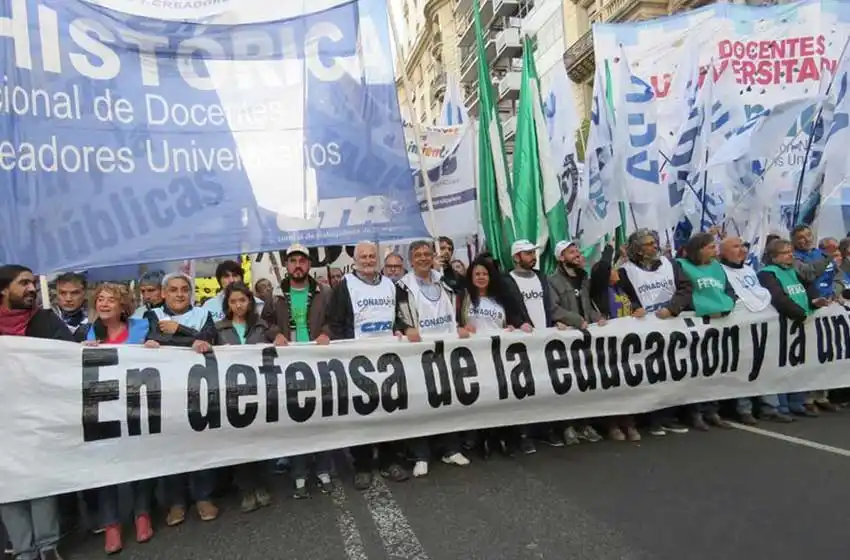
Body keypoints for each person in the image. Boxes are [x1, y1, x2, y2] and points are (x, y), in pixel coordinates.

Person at [75, 283, 154, 554]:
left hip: (136, 406)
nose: (104, 304)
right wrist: (80, 352)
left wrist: (156, 347)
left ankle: (142, 514)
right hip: (103, 410)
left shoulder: (141, 328)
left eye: (111, 300)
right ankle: (111, 525)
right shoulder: (88, 332)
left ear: (123, 306)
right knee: (107, 466)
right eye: (100, 299)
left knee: (139, 462)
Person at [0, 264, 71, 560]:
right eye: (23, 283)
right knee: (7, 483)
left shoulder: (44, 320)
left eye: (32, 283)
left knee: (39, 478)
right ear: (4, 290)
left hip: (36, 414)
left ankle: (47, 546)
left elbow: (69, 354)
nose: (31, 289)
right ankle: (23, 550)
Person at [326, 242, 411, 489]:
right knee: (361, 414)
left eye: (372, 256)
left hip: (387, 359)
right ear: (355, 260)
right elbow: (336, 322)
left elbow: (400, 318)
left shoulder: (390, 285)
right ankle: (362, 465)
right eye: (363, 256)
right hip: (358, 361)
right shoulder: (345, 286)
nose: (368, 260)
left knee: (389, 411)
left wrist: (403, 330)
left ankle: (389, 460)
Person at [143, 272, 218, 525]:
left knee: (200, 441)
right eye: (173, 289)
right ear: (163, 293)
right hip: (165, 391)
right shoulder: (153, 315)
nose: (178, 294)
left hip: (197, 388)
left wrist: (179, 330)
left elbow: (209, 339)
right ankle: (176, 502)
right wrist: (190, 338)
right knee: (171, 444)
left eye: (184, 289)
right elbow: (155, 338)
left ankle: (203, 496)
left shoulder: (203, 314)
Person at [261, 244, 333, 498]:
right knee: (295, 416)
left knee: (321, 415)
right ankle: (299, 473)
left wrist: (326, 333)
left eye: (303, 260)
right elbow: (265, 322)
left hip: (318, 360)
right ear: (287, 265)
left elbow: (334, 319)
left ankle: (324, 468)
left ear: (309, 264)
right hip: (289, 363)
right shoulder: (276, 294)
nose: (298, 265)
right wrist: (276, 334)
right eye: (293, 260)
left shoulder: (324, 291)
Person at [395, 240, 472, 476]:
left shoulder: (444, 282)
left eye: (427, 254)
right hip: (418, 353)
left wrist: (460, 325)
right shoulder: (402, 286)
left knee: (448, 399)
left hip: (446, 350)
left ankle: (450, 449)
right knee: (421, 403)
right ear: (410, 259)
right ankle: (421, 454)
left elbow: (461, 302)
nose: (423, 258)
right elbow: (395, 315)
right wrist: (405, 327)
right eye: (417, 254)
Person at [657, 232, 736, 431]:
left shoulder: (718, 268)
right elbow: (685, 292)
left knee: (715, 368)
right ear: (698, 249)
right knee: (696, 369)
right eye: (710, 247)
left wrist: (728, 305)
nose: (715, 250)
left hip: (719, 324)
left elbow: (728, 291)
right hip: (696, 324)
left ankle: (712, 410)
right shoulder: (681, 266)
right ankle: (694, 412)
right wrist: (703, 309)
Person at [214, 283, 283, 512]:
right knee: (239, 443)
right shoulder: (218, 328)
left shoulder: (262, 326)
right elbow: (201, 345)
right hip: (232, 394)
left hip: (260, 392)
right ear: (228, 304)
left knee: (260, 441)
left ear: (250, 302)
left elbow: (280, 340)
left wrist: (280, 338)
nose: (238, 305)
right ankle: (245, 488)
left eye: (242, 301)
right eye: (233, 302)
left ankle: (262, 485)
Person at [460, 256, 534, 457]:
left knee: (502, 398)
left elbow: (511, 320)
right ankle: (484, 440)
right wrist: (461, 328)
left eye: (485, 274)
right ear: (471, 277)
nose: (481, 277)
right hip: (475, 357)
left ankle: (507, 438)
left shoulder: (500, 298)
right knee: (481, 399)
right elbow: (456, 322)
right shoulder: (464, 297)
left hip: (499, 356)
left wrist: (516, 326)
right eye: (477, 274)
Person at [758, 238, 830, 417]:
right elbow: (779, 298)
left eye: (790, 251)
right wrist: (801, 313)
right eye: (785, 252)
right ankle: (781, 406)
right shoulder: (767, 274)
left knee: (800, 365)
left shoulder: (793, 270)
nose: (790, 255)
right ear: (774, 257)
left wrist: (814, 303)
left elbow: (806, 291)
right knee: (782, 366)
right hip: (783, 326)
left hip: (801, 325)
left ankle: (797, 402)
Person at [503, 240, 563, 447]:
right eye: (528, 254)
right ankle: (524, 433)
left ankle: (545, 430)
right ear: (516, 257)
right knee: (525, 389)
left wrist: (556, 322)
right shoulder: (507, 280)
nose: (533, 257)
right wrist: (519, 323)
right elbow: (508, 309)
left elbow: (548, 305)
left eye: (533, 253)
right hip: (522, 344)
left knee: (546, 387)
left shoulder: (541, 277)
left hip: (545, 340)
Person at [548, 240, 605, 445]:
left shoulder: (583, 278)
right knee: (568, 383)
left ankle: (584, 423)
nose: (577, 254)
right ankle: (567, 425)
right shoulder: (552, 281)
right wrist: (575, 321)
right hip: (567, 341)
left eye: (577, 251)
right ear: (561, 258)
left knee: (586, 381)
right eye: (571, 252)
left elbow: (587, 304)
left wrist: (596, 316)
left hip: (585, 338)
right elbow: (554, 308)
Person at [718, 236, 779, 425]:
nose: (742, 250)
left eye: (743, 246)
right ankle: (744, 409)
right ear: (723, 252)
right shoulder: (721, 271)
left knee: (767, 365)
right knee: (744, 367)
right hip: (741, 326)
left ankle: (770, 407)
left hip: (762, 323)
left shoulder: (749, 269)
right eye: (735, 247)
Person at [589, 239, 641, 441]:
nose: (616, 271)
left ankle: (629, 421)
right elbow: (602, 267)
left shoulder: (622, 287)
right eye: (613, 269)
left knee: (630, 383)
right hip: (609, 345)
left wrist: (638, 307)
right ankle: (611, 424)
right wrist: (609, 247)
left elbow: (634, 300)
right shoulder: (601, 290)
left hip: (628, 343)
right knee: (612, 384)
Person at [618, 229, 676, 313]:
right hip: (644, 322)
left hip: (673, 320)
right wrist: (636, 308)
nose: (655, 246)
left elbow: (684, 288)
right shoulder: (625, 271)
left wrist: (673, 308)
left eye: (655, 242)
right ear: (638, 250)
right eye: (649, 244)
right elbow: (625, 298)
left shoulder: (669, 263)